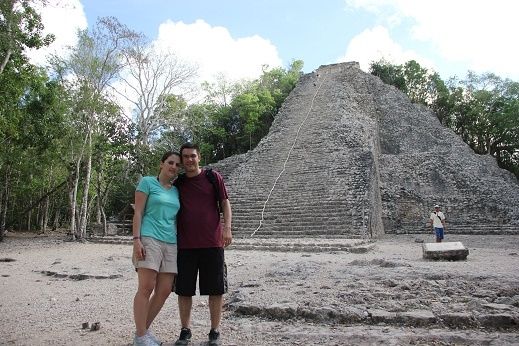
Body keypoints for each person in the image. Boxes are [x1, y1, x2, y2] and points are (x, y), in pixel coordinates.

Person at [173, 142, 232, 346]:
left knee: (216, 289)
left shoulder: (212, 177)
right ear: (182, 160)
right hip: (185, 245)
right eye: (186, 157)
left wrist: (227, 228)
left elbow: (224, 203)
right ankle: (185, 330)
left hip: (212, 243)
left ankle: (214, 331)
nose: (189, 160)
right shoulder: (178, 183)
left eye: (193, 156)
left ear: (199, 157)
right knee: (184, 290)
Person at [132, 151, 182, 346]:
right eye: (170, 162)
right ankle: (141, 335)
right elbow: (138, 212)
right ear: (161, 164)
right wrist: (137, 239)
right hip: (149, 237)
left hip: (170, 241)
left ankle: (142, 332)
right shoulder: (147, 182)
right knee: (146, 287)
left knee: (165, 289)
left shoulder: (176, 190)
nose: (174, 167)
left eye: (178, 165)